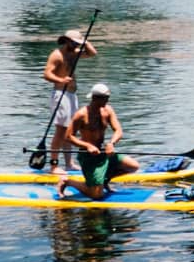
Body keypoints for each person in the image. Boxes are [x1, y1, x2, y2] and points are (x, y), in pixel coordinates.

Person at [56, 84, 139, 199]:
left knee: (133, 166)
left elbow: (118, 130)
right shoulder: (81, 114)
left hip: (103, 152)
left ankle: (103, 181)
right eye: (105, 98)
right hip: (88, 156)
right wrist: (88, 146)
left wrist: (111, 143)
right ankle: (67, 181)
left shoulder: (108, 110)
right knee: (97, 195)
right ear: (95, 98)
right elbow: (68, 136)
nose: (108, 100)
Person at [43, 28, 97, 175]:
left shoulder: (74, 53)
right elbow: (46, 74)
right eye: (74, 42)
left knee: (70, 130)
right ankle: (54, 166)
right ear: (66, 41)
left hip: (72, 95)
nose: (76, 45)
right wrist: (61, 79)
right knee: (60, 130)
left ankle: (69, 163)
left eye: (77, 43)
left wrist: (85, 42)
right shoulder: (57, 55)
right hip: (60, 94)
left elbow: (93, 53)